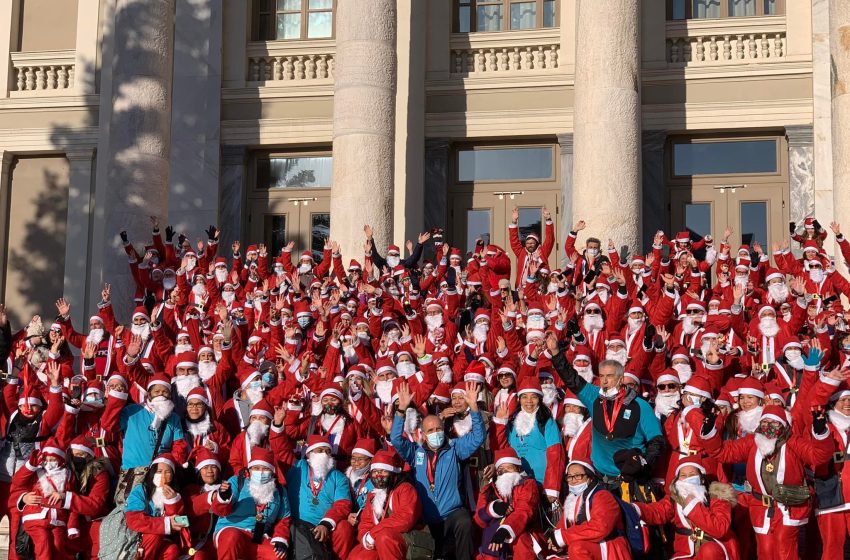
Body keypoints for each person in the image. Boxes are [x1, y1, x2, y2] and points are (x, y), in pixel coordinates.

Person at [390, 380, 485, 560]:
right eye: (431, 430)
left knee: (465, 521)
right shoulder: (414, 453)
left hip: (451, 514)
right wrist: (401, 411)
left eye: (439, 429)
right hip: (427, 517)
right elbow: (395, 439)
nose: (436, 433)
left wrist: (474, 409)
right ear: (424, 435)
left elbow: (478, 436)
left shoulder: (455, 448)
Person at [636, 456, 740, 559]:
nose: (687, 479)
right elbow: (657, 511)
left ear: (701, 479)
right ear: (677, 480)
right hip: (685, 552)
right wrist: (635, 509)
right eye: (683, 475)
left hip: (715, 548)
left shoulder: (717, 497)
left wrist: (693, 506)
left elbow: (719, 529)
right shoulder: (674, 499)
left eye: (692, 475)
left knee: (709, 551)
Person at [212, 446, 291, 559]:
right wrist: (223, 498)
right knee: (231, 537)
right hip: (230, 532)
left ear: (273, 472)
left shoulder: (280, 491)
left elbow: (284, 519)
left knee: (277, 555)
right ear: (249, 471)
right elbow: (219, 511)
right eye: (256, 468)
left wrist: (281, 538)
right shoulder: (236, 482)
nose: (261, 473)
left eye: (265, 469)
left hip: (257, 537)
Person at [284, 434, 354, 559]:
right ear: (309, 453)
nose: (325, 455)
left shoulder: (339, 477)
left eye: (328, 452)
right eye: (320, 450)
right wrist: (278, 425)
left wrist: (326, 524)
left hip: (324, 526)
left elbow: (343, 504)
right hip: (298, 525)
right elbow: (281, 450)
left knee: (344, 528)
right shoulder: (297, 467)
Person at [547, 458, 632, 559]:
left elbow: (600, 527)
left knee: (577, 548)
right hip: (586, 547)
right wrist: (554, 541)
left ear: (590, 478)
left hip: (608, 547)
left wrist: (563, 538)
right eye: (569, 477)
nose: (573, 481)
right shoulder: (572, 499)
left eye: (578, 476)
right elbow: (562, 528)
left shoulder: (602, 496)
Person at [351, 449, 421, 559]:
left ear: (392, 473)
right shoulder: (373, 494)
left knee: (385, 537)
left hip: (407, 539)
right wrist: (365, 538)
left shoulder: (406, 489)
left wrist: (373, 534)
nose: (378, 475)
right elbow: (366, 522)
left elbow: (405, 518)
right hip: (378, 540)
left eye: (383, 471)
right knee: (358, 556)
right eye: (375, 471)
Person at [473, 447, 541, 558]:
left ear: (517, 469)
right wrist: (493, 509)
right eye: (501, 470)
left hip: (522, 533)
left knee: (520, 540)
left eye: (509, 468)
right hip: (492, 537)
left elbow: (524, 511)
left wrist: (505, 529)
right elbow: (478, 520)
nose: (504, 473)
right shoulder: (488, 490)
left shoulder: (528, 485)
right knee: (489, 536)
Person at [124, 453, 188, 560]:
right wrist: (165, 524)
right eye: (159, 471)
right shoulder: (141, 490)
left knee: (172, 550)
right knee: (155, 535)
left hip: (163, 541)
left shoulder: (176, 495)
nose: (163, 476)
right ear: (152, 473)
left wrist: (172, 502)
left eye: (167, 472)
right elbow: (133, 520)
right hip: (137, 539)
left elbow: (182, 522)